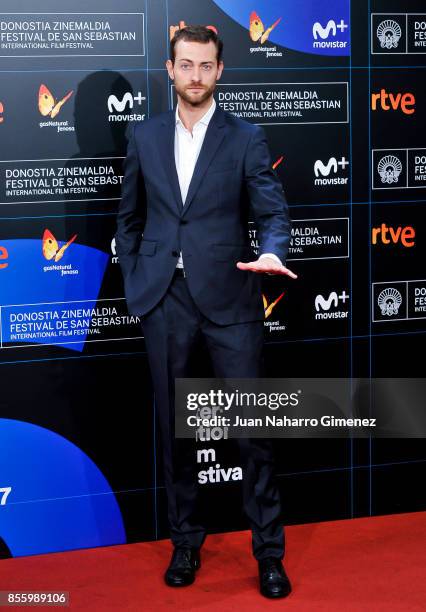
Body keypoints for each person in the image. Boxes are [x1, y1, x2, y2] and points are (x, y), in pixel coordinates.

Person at [115, 25, 297, 599]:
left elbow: (271, 210)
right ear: (169, 69)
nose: (195, 76)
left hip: (230, 302)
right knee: (177, 435)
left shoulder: (245, 138)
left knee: (253, 436)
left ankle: (269, 553)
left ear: (220, 72)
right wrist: (139, 278)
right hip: (164, 302)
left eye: (206, 66)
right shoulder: (143, 137)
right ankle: (186, 544)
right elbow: (128, 218)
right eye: (185, 65)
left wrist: (271, 250)